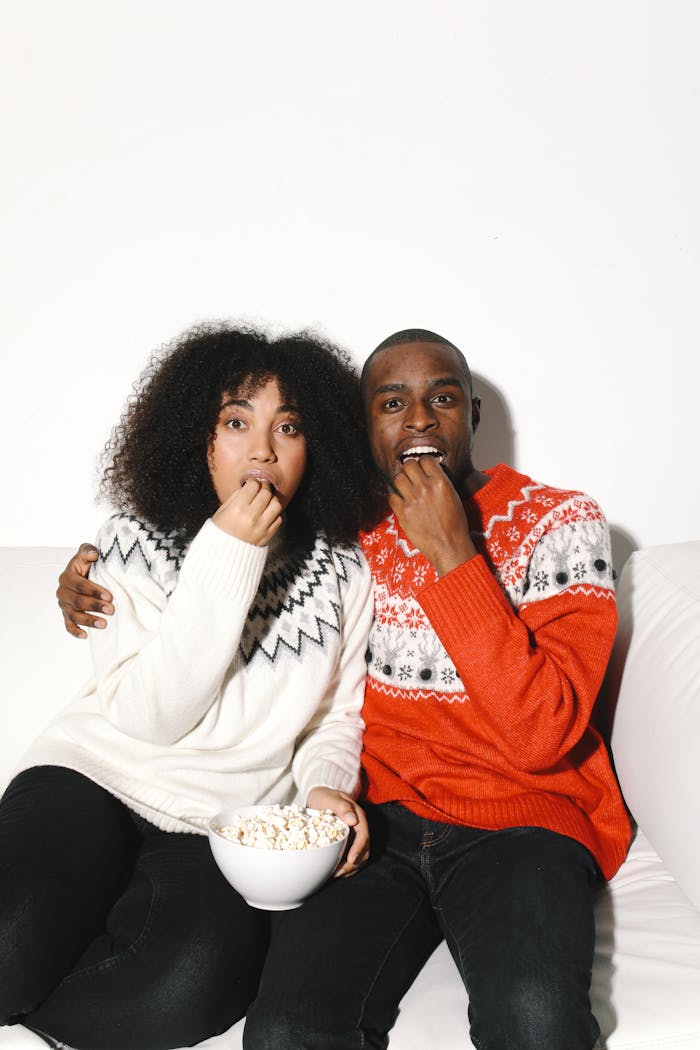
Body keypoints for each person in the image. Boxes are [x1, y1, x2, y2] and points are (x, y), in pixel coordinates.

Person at [54, 329, 632, 1050]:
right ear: (361, 428)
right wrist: (86, 575)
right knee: (286, 1030)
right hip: (376, 828)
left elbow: (544, 734)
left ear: (474, 415)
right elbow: (198, 550)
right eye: (392, 402)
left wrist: (454, 556)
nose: (418, 418)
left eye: (442, 398)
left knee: (535, 1019)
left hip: (525, 821)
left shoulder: (563, 522)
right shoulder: (346, 534)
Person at [0, 322, 382, 1050]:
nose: (262, 449)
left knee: (189, 990)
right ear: (197, 437)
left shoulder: (345, 572)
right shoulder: (133, 537)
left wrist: (328, 786)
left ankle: (64, 953)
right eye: (236, 422)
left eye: (288, 426)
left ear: (318, 444)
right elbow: (151, 719)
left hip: (222, 821)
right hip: (96, 775)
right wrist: (228, 553)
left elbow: (336, 718)